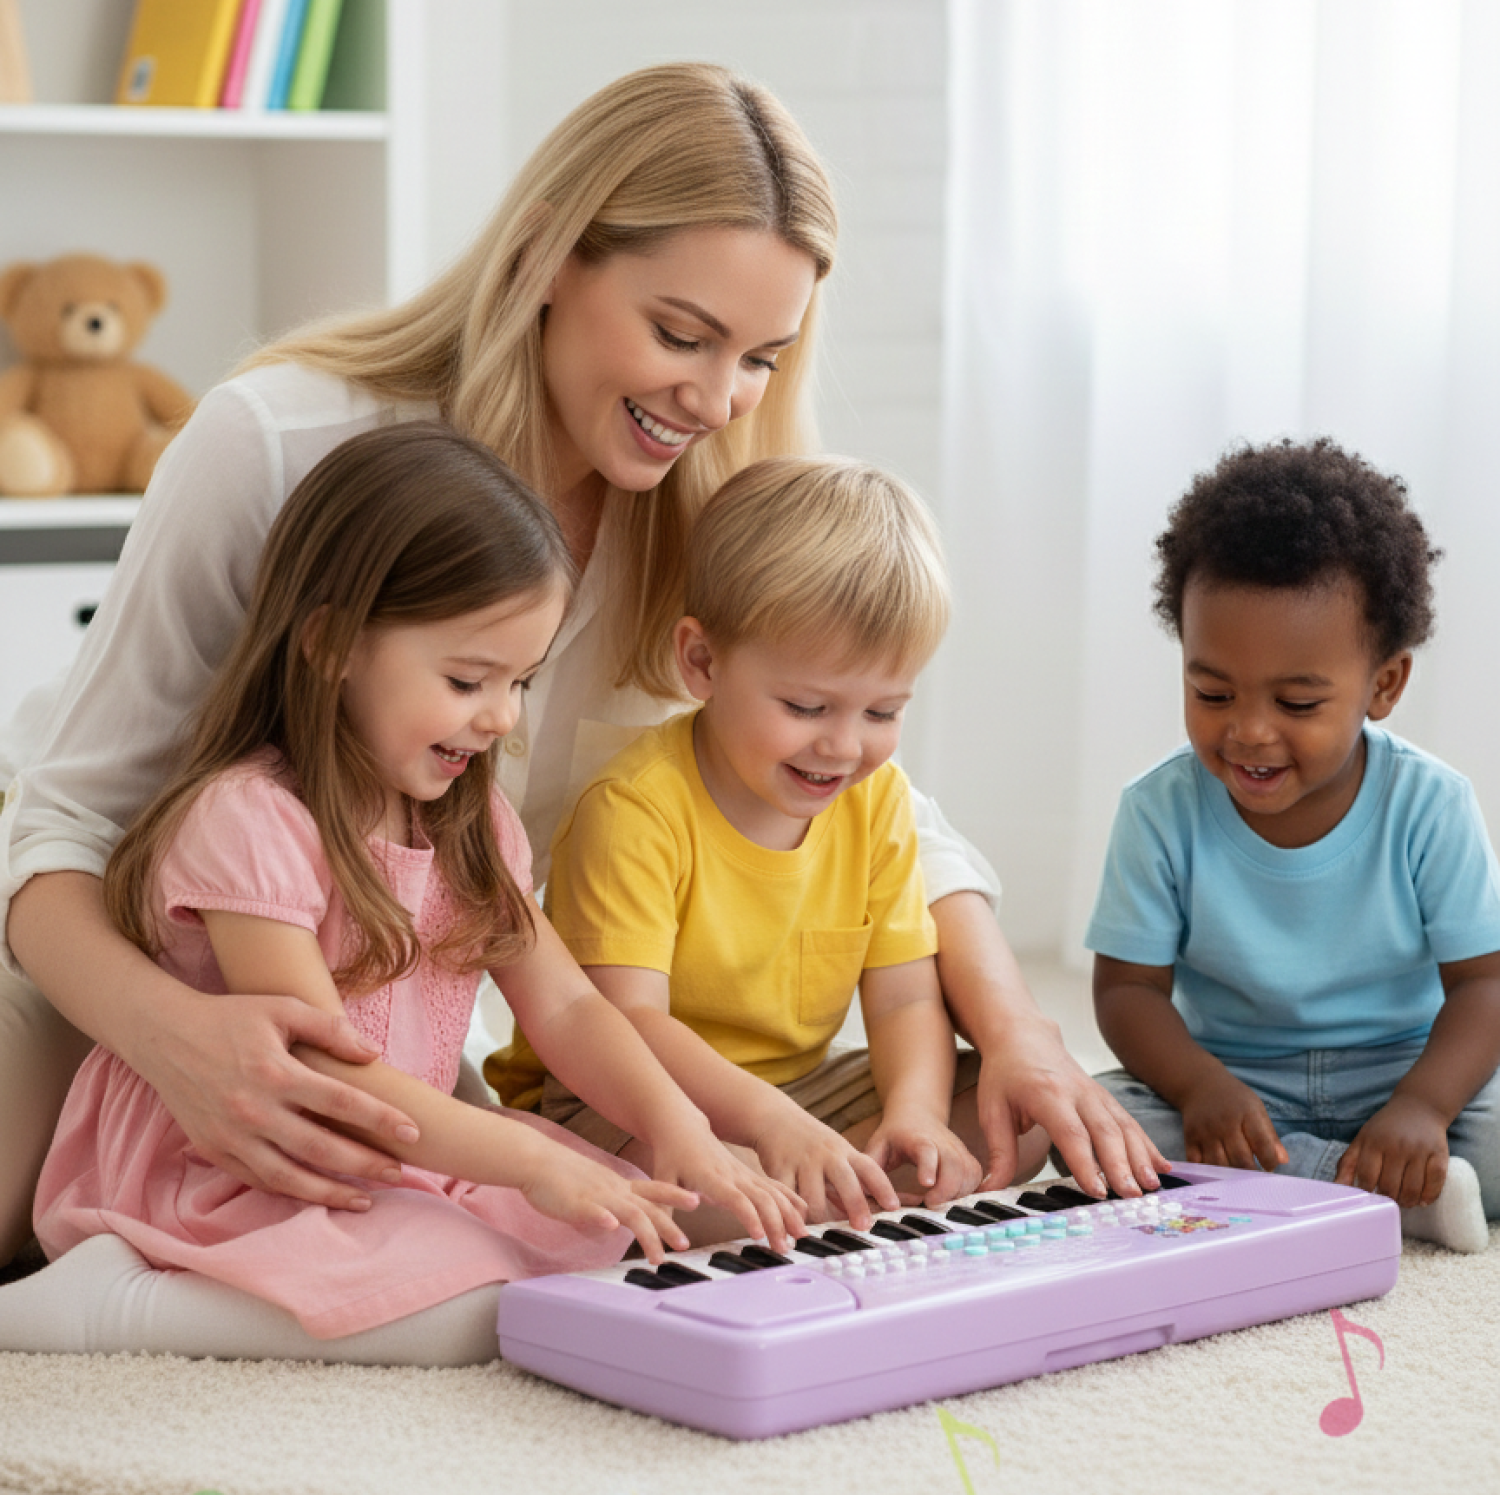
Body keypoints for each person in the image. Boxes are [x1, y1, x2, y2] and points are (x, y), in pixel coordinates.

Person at [0, 61, 1161, 1273]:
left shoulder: (713, 506)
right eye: (680, 334)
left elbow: (876, 803)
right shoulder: (280, 442)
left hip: (373, 1006)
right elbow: (63, 821)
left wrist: (1020, 1027)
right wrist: (178, 1037)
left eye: (763, 355)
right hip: (115, 957)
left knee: (959, 1129)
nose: (718, 398)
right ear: (548, 253)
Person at [0, 424, 805, 1362]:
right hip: (241, 1171)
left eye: (522, 681)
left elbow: (571, 1004)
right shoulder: (250, 820)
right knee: (476, 1305)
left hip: (392, 1156)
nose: (502, 716)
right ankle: (99, 1302)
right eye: (469, 679)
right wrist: (533, 1158)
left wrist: (678, 1130)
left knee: (643, 1225)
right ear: (333, 644)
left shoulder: (476, 827)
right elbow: (322, 1080)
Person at [494, 457, 1049, 1240]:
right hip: (625, 1097)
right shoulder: (633, 807)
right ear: (703, 662)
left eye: (883, 711)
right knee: (679, 1183)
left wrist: (916, 1116)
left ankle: (820, 1193)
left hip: (799, 1089)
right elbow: (629, 1023)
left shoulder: (879, 801)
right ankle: (814, 1196)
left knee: (1015, 1116)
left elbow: (907, 997)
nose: (844, 746)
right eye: (806, 705)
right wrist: (772, 1125)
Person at [1086, 437, 1500, 1254]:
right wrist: (1200, 1087)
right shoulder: (1158, 809)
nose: (1248, 731)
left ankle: (1327, 1178)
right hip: (1237, 1085)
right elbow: (1127, 992)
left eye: (1299, 702)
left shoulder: (1431, 804)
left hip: (1402, 1070)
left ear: (1383, 686)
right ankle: (1385, 1190)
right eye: (1211, 692)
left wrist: (1422, 1108)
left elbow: (1484, 984)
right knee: (1093, 1123)